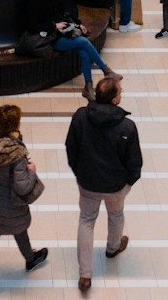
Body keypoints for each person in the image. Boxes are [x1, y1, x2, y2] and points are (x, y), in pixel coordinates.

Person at [66, 77, 141, 293]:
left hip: (87, 182)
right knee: (116, 215)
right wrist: (129, 183)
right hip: (116, 185)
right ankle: (113, 247)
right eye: (120, 91)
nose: (121, 93)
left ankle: (85, 275)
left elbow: (71, 147)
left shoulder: (81, 117)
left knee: (86, 220)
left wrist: (78, 171)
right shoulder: (127, 126)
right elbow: (134, 160)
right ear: (114, 100)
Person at [0, 104, 49, 292]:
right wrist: (31, 171)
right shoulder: (16, 153)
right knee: (20, 232)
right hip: (11, 205)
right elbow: (22, 186)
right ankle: (30, 259)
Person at [24, 0, 116, 96]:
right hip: (49, 38)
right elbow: (31, 25)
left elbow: (65, 10)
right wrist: (54, 26)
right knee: (83, 42)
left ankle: (88, 86)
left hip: (63, 33)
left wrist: (78, 24)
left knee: (83, 52)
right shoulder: (33, 1)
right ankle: (105, 70)